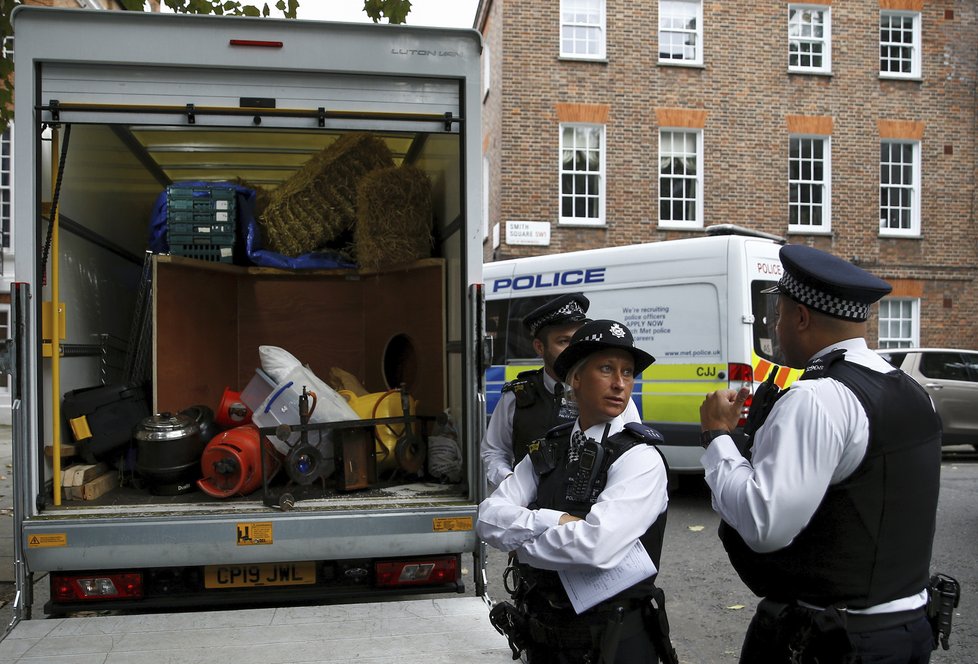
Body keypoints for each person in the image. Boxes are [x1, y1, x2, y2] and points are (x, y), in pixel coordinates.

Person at [699, 244, 943, 663]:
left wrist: (718, 436)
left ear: (800, 317)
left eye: (779, 314)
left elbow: (765, 523)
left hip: (834, 639)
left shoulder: (817, 397)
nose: (776, 326)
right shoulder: (911, 390)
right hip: (907, 627)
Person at [478, 319, 674, 664]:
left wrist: (522, 545)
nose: (619, 383)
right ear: (576, 379)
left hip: (614, 644)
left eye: (627, 373)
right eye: (606, 369)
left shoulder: (639, 457)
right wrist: (557, 521)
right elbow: (488, 518)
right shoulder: (550, 448)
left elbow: (595, 548)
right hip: (545, 643)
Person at [482, 294, 640, 489]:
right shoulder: (517, 396)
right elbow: (494, 452)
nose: (573, 350)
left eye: (578, 341)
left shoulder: (610, 396)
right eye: (564, 342)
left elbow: (633, 455)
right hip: (527, 510)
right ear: (540, 347)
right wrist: (512, 484)